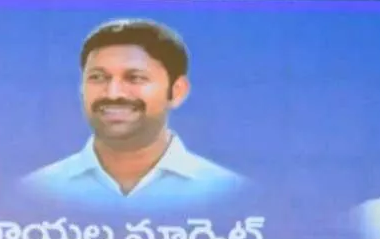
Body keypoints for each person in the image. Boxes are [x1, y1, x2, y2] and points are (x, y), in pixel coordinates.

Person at [20, 18, 242, 210]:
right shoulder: (37, 190)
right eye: (98, 77)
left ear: (177, 91)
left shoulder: (228, 192)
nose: (113, 93)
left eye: (135, 78)